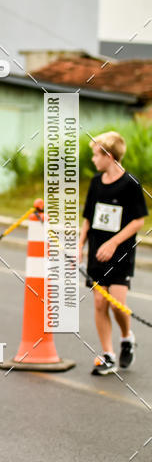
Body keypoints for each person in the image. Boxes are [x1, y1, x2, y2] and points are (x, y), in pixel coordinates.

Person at [79, 131, 148, 375]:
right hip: (96, 254)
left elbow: (139, 221)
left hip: (120, 255)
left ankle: (127, 337)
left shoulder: (131, 183)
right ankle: (107, 355)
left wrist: (113, 244)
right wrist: (80, 246)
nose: (93, 160)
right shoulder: (96, 183)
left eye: (96, 155)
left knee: (118, 305)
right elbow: (88, 218)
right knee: (99, 302)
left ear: (109, 155)